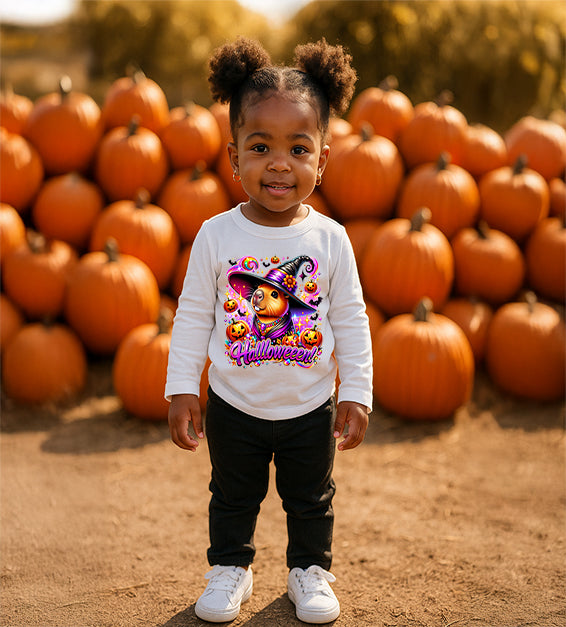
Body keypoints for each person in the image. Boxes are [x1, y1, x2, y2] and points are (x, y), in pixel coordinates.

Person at [165, 36, 372, 624]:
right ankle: (230, 566)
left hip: (310, 406)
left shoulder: (331, 240)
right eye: (260, 147)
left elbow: (351, 321)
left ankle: (309, 570)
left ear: (321, 159)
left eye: (297, 148)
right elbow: (193, 315)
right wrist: (182, 387)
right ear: (234, 158)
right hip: (234, 403)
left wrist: (356, 392)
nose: (279, 163)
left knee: (311, 500)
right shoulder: (215, 235)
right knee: (232, 497)